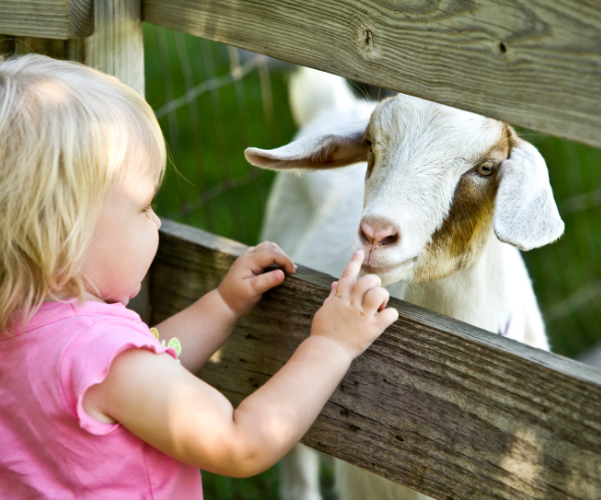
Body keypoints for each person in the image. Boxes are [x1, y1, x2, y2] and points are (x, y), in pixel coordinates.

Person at [0, 54, 398, 499]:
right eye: (144, 206)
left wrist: (222, 305)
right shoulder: (106, 362)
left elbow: (148, 369)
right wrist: (331, 345)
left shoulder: (26, 332)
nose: (156, 222)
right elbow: (240, 442)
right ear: (63, 235)